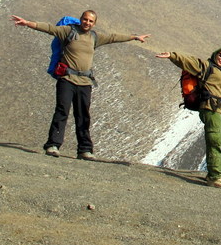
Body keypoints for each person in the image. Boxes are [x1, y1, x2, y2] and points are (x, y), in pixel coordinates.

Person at [11, 11, 150, 160]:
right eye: (85, 19)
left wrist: (134, 37)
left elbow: (113, 37)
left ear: (94, 23)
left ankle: (84, 150)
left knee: (83, 116)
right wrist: (27, 23)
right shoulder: (68, 31)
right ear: (80, 19)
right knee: (62, 111)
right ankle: (53, 145)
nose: (87, 23)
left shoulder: (94, 37)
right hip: (67, 79)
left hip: (85, 82)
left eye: (91, 21)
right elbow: (49, 28)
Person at [156, 48, 221, 190]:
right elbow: (190, 61)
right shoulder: (207, 66)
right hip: (210, 109)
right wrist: (173, 56)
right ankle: (214, 177)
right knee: (215, 140)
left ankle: (218, 172)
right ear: (215, 54)